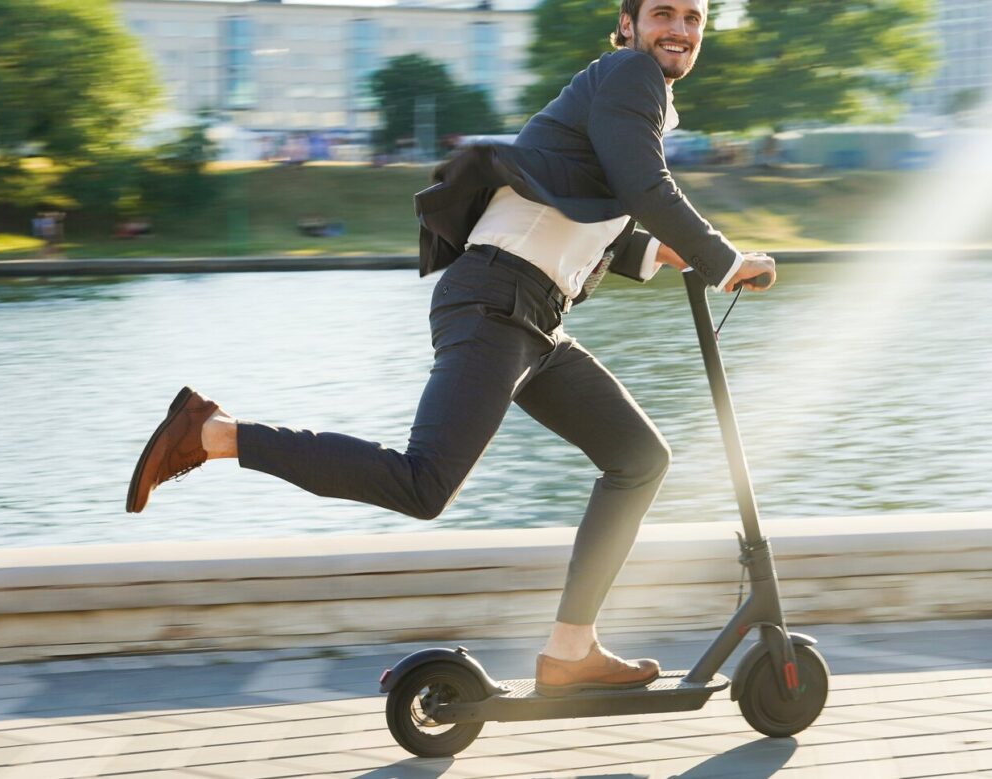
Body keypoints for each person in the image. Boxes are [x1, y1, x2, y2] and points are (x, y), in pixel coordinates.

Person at [127, 0, 776, 697]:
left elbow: (579, 196)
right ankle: (213, 433)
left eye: (693, 18)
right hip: (496, 300)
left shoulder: (618, 89)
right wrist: (721, 258)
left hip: (532, 313)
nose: (677, 30)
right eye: (661, 14)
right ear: (627, 23)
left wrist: (658, 251)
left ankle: (569, 650)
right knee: (423, 483)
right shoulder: (629, 74)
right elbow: (644, 186)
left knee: (638, 456)